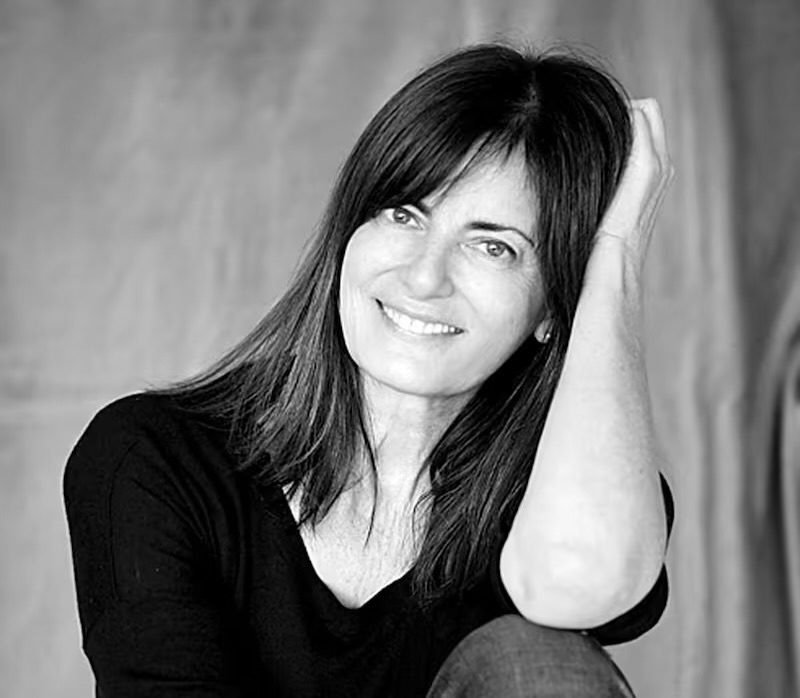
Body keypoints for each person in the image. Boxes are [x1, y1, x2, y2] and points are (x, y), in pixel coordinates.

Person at [63, 41, 675, 697]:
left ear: (553, 305)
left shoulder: (561, 492)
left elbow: (581, 582)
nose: (424, 276)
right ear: (350, 233)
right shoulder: (156, 456)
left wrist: (614, 257)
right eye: (404, 214)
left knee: (537, 664)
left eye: (493, 246)